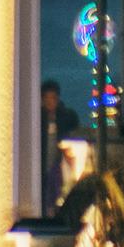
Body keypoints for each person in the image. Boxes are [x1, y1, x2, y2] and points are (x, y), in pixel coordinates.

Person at [39, 80, 85, 212]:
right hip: (42, 165)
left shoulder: (66, 117)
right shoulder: (38, 118)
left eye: (52, 98)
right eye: (46, 98)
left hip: (60, 165)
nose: (49, 102)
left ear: (58, 99)